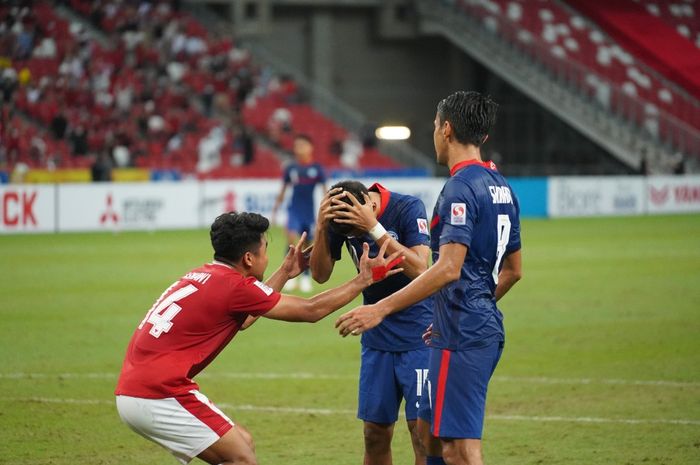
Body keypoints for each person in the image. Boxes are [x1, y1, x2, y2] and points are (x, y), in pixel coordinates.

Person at [115, 211, 403, 465]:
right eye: (266, 249)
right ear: (249, 258)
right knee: (241, 458)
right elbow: (311, 310)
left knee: (243, 443)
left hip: (138, 388)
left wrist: (286, 271)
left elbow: (246, 317)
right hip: (158, 393)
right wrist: (362, 280)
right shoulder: (234, 287)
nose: (268, 255)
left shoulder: (204, 274)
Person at [335, 91, 523, 465]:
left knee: (459, 450)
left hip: (463, 331)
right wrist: (466, 305)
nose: (434, 134)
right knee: (434, 438)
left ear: (447, 129)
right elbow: (513, 270)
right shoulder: (501, 186)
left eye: (436, 126)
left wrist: (381, 309)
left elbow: (447, 268)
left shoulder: (460, 187)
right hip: (471, 323)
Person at [310, 180, 433, 465]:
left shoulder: (407, 207)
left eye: (357, 230)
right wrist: (320, 227)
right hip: (376, 335)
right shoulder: (341, 216)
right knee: (374, 433)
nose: (356, 235)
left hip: (420, 333)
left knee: (421, 434)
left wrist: (372, 227)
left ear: (370, 204)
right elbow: (319, 275)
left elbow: (420, 269)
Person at [272, 134, 326, 293]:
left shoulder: (316, 169)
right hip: (293, 210)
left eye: (302, 145)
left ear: (310, 147)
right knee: (291, 241)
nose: (299, 149)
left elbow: (325, 192)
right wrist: (275, 211)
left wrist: (327, 212)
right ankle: (287, 276)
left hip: (309, 213)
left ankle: (305, 277)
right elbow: (283, 190)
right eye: (296, 146)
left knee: (309, 245)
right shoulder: (291, 168)